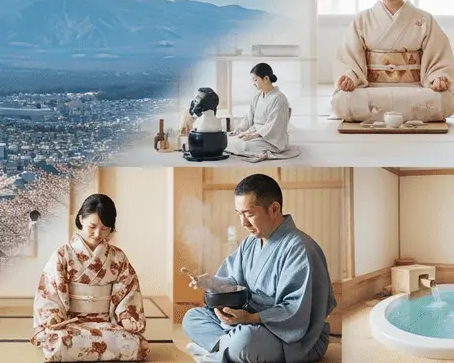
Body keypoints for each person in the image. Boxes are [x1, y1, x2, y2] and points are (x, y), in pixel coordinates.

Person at [182, 174, 336, 363]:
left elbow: (295, 310)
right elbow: (234, 282)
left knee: (246, 341)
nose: (243, 223)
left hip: (293, 338)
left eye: (249, 214)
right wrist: (210, 282)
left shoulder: (300, 247)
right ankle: (226, 350)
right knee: (192, 317)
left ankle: (219, 351)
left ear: (274, 209)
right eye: (239, 214)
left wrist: (250, 318)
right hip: (247, 321)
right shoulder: (250, 243)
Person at [333, 0, 454, 122]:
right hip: (373, 90)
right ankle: (408, 114)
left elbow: (439, 58)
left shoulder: (424, 20)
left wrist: (437, 78)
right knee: (343, 100)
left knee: (443, 100)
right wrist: (350, 77)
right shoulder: (362, 20)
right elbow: (349, 58)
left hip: (414, 91)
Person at [31, 194, 149, 362]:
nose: (97, 233)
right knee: (60, 342)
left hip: (108, 323)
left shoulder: (118, 257)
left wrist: (126, 318)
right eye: (92, 226)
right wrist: (53, 315)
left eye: (105, 228)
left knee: (136, 345)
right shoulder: (62, 254)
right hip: (70, 323)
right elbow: (49, 292)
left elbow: (128, 292)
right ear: (81, 219)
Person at [226, 63, 292, 155]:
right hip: (256, 132)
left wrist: (254, 135)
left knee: (244, 145)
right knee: (229, 139)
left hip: (271, 138)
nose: (253, 83)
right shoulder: (257, 95)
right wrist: (239, 130)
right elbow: (249, 116)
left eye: (255, 80)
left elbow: (275, 125)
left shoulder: (279, 99)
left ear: (266, 78)